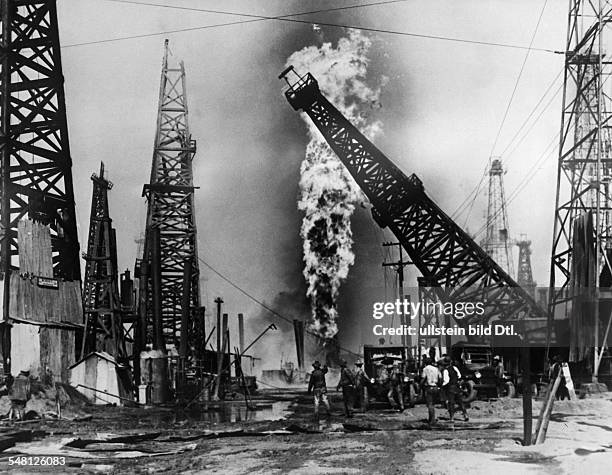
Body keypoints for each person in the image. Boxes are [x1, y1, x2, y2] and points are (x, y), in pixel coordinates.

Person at [442, 357, 469, 422]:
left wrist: (442, 386)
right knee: (460, 402)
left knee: (451, 403)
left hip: (450, 388)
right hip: (457, 387)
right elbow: (459, 376)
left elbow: (446, 381)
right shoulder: (454, 368)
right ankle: (465, 415)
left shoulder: (445, 370)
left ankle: (452, 418)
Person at [421, 357, 441, 426]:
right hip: (435, 387)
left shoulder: (425, 369)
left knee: (430, 404)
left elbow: (423, 378)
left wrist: (420, 386)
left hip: (429, 387)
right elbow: (440, 378)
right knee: (433, 404)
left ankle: (432, 420)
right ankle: (431, 418)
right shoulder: (436, 369)